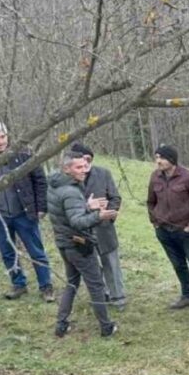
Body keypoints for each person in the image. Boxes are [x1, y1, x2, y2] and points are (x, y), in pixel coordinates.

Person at [0, 120, 54, 302]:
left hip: (24, 212)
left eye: (3, 136)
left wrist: (41, 208)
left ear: (8, 136)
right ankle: (18, 284)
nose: (0, 141)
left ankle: (46, 287)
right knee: (7, 253)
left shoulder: (24, 154)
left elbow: (40, 181)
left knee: (36, 251)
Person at [47, 151, 119, 338]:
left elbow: (65, 212)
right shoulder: (71, 191)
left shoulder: (55, 185)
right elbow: (77, 221)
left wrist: (86, 206)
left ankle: (61, 325)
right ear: (66, 168)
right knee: (95, 286)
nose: (84, 170)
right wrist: (99, 215)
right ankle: (106, 327)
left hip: (64, 243)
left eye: (85, 166)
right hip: (78, 245)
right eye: (78, 167)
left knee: (71, 283)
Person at [147, 145, 189, 317]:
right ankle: (188, 296)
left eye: (161, 158)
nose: (158, 161)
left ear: (172, 160)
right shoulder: (155, 177)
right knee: (178, 266)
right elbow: (150, 202)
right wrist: (155, 221)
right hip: (164, 231)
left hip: (186, 232)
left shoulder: (188, 177)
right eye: (156, 157)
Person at [71, 142, 126, 311]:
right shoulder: (68, 181)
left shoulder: (103, 174)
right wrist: (87, 207)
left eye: (89, 159)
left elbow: (115, 198)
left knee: (111, 264)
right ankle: (102, 295)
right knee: (93, 267)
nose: (86, 163)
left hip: (104, 228)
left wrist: (109, 215)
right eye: (82, 159)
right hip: (82, 231)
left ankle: (118, 297)